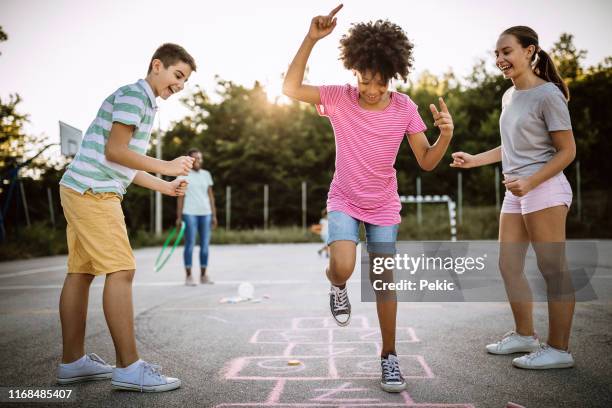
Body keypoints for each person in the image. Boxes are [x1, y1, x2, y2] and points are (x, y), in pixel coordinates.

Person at [282, 4, 454, 392]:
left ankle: (389, 357)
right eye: (364, 80)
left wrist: (444, 135)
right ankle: (337, 285)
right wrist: (311, 39)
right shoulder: (339, 98)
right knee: (342, 267)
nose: (372, 91)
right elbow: (289, 89)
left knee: (382, 280)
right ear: (354, 72)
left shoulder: (404, 107)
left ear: (393, 76)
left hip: (383, 205)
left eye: (380, 82)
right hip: (344, 197)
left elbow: (427, 161)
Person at [57, 43, 197, 391]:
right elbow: (115, 150)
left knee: (81, 272)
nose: (179, 86)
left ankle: (73, 361)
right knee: (122, 270)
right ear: (157, 66)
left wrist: (164, 186)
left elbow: (124, 162)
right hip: (93, 191)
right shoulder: (137, 96)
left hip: (81, 187)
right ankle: (129, 367)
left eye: (184, 82)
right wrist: (165, 166)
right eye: (177, 75)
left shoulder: (141, 101)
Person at [451, 26, 576, 369]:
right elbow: (513, 146)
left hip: (544, 189)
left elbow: (567, 151)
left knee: (553, 269)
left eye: (506, 51)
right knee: (509, 265)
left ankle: (559, 350)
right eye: (496, 54)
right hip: (517, 191)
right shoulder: (509, 96)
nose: (500, 59)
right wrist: (475, 159)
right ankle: (524, 335)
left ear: (529, 51)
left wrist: (532, 181)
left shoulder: (548, 94)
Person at [176, 148, 218, 285]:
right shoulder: (183, 175)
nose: (198, 161)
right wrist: (179, 216)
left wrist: (214, 215)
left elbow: (211, 196)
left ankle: (203, 275)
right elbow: (180, 197)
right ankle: (188, 276)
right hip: (189, 213)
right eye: (194, 158)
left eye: (199, 158)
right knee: (190, 245)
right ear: (189, 160)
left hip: (205, 213)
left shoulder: (206, 174)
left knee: (205, 245)